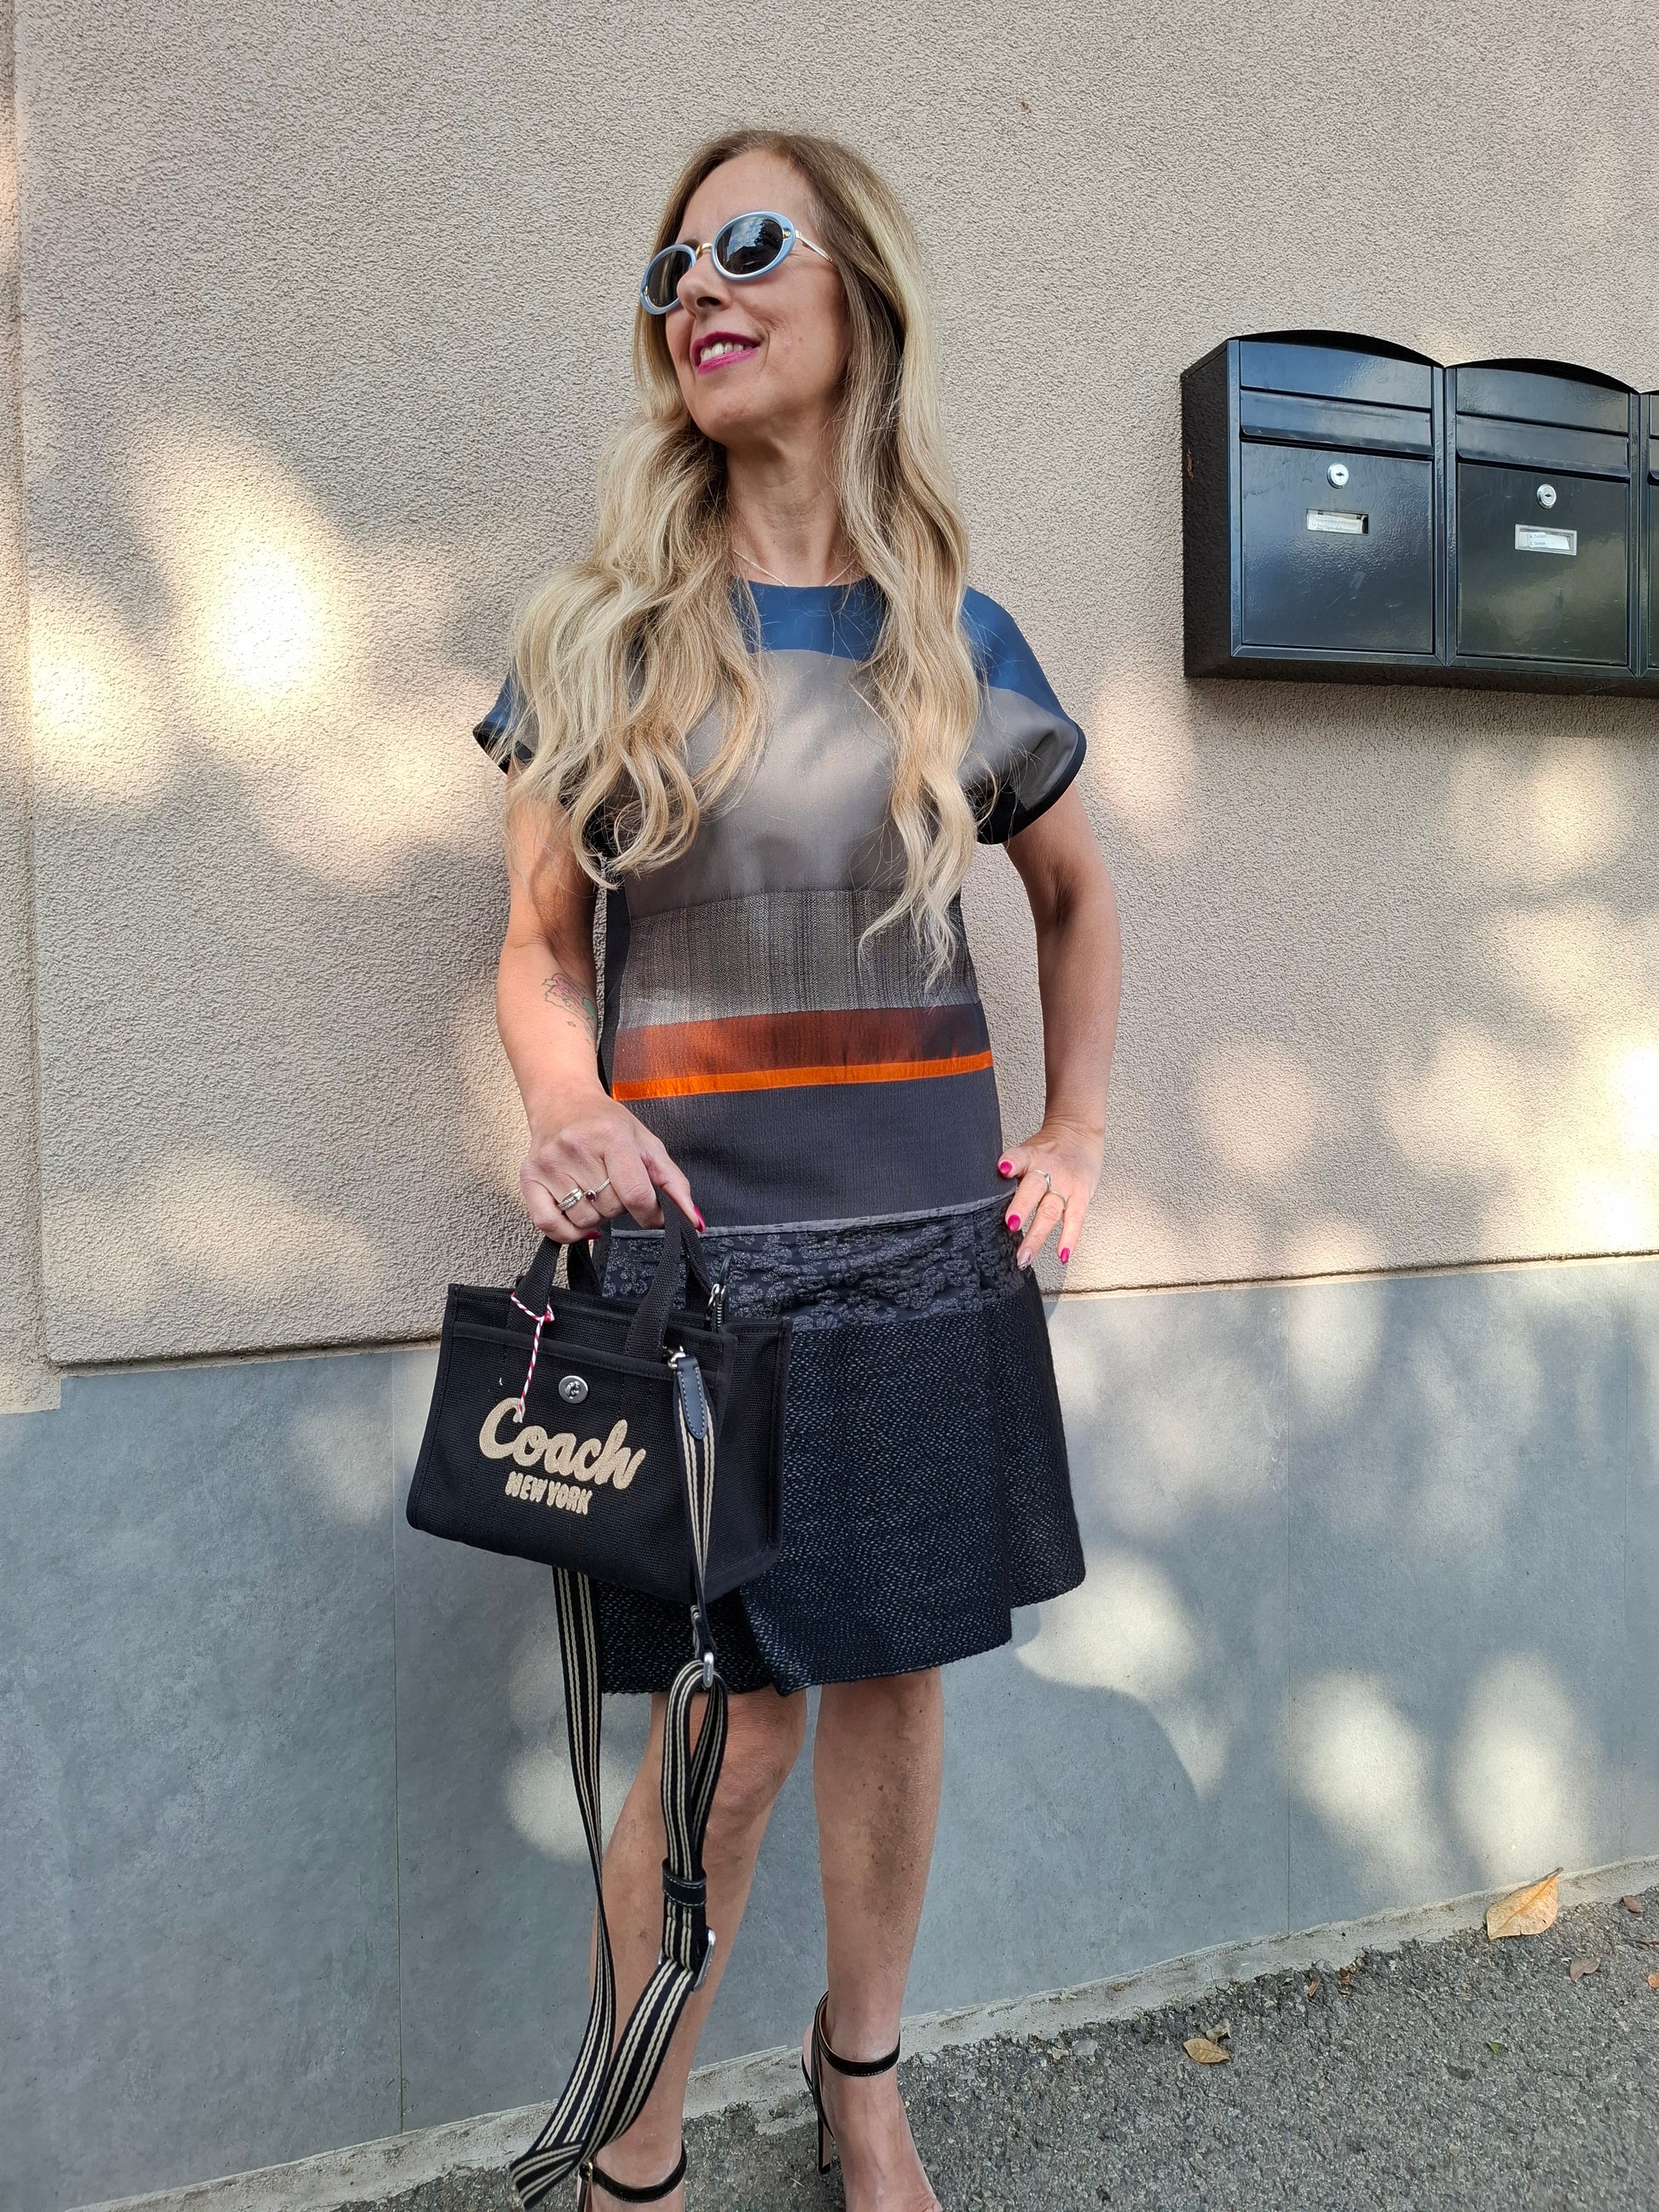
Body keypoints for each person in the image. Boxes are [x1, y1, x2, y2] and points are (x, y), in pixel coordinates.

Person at [477, 126, 1121, 2212]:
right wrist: (561, 1101)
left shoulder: (958, 639)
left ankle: (863, 2080)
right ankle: (637, 2140)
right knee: (726, 1728)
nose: (700, 287)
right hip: (697, 1275)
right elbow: (534, 951)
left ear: (863, 301)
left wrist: (1075, 1127)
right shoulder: (596, 639)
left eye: (749, 245)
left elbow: (1075, 897)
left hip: (925, 1256)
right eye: (671, 262)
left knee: (892, 1684)